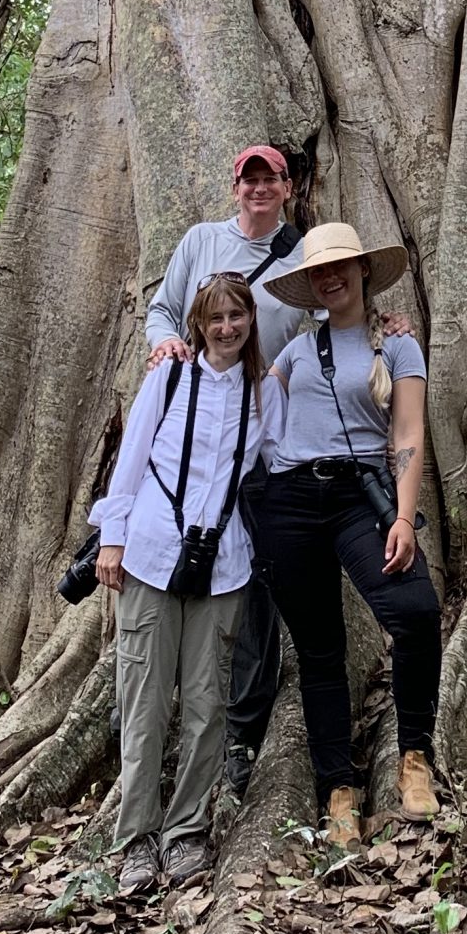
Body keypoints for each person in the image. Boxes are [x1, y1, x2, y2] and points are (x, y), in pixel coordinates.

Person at [92, 272, 280, 896]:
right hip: (150, 551)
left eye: (237, 317)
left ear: (251, 320)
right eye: (214, 319)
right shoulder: (169, 377)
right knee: (143, 698)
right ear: (197, 325)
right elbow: (132, 457)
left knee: (206, 702)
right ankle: (136, 837)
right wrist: (112, 537)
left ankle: (186, 832)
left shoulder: (261, 392)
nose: (226, 328)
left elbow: (278, 459)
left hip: (224, 561)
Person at [256, 220, 441, 846]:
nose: (330, 277)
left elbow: (409, 432)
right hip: (289, 501)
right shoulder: (295, 352)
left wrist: (403, 517)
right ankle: (338, 789)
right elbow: (246, 401)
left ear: (364, 269)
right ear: (309, 284)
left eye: (341, 265)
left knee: (415, 612)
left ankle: (413, 758)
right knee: (319, 650)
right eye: (318, 271)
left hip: (360, 499)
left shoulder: (398, 345)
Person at [142, 145, 306, 796]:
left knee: (253, 593)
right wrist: (165, 343)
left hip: (263, 445)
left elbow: (330, 320)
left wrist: (386, 330)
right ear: (235, 186)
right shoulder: (201, 242)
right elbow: (161, 309)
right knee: (179, 580)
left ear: (290, 186)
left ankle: (239, 736)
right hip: (192, 443)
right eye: (249, 179)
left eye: (271, 178)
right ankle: (169, 739)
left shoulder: (301, 258)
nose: (259, 188)